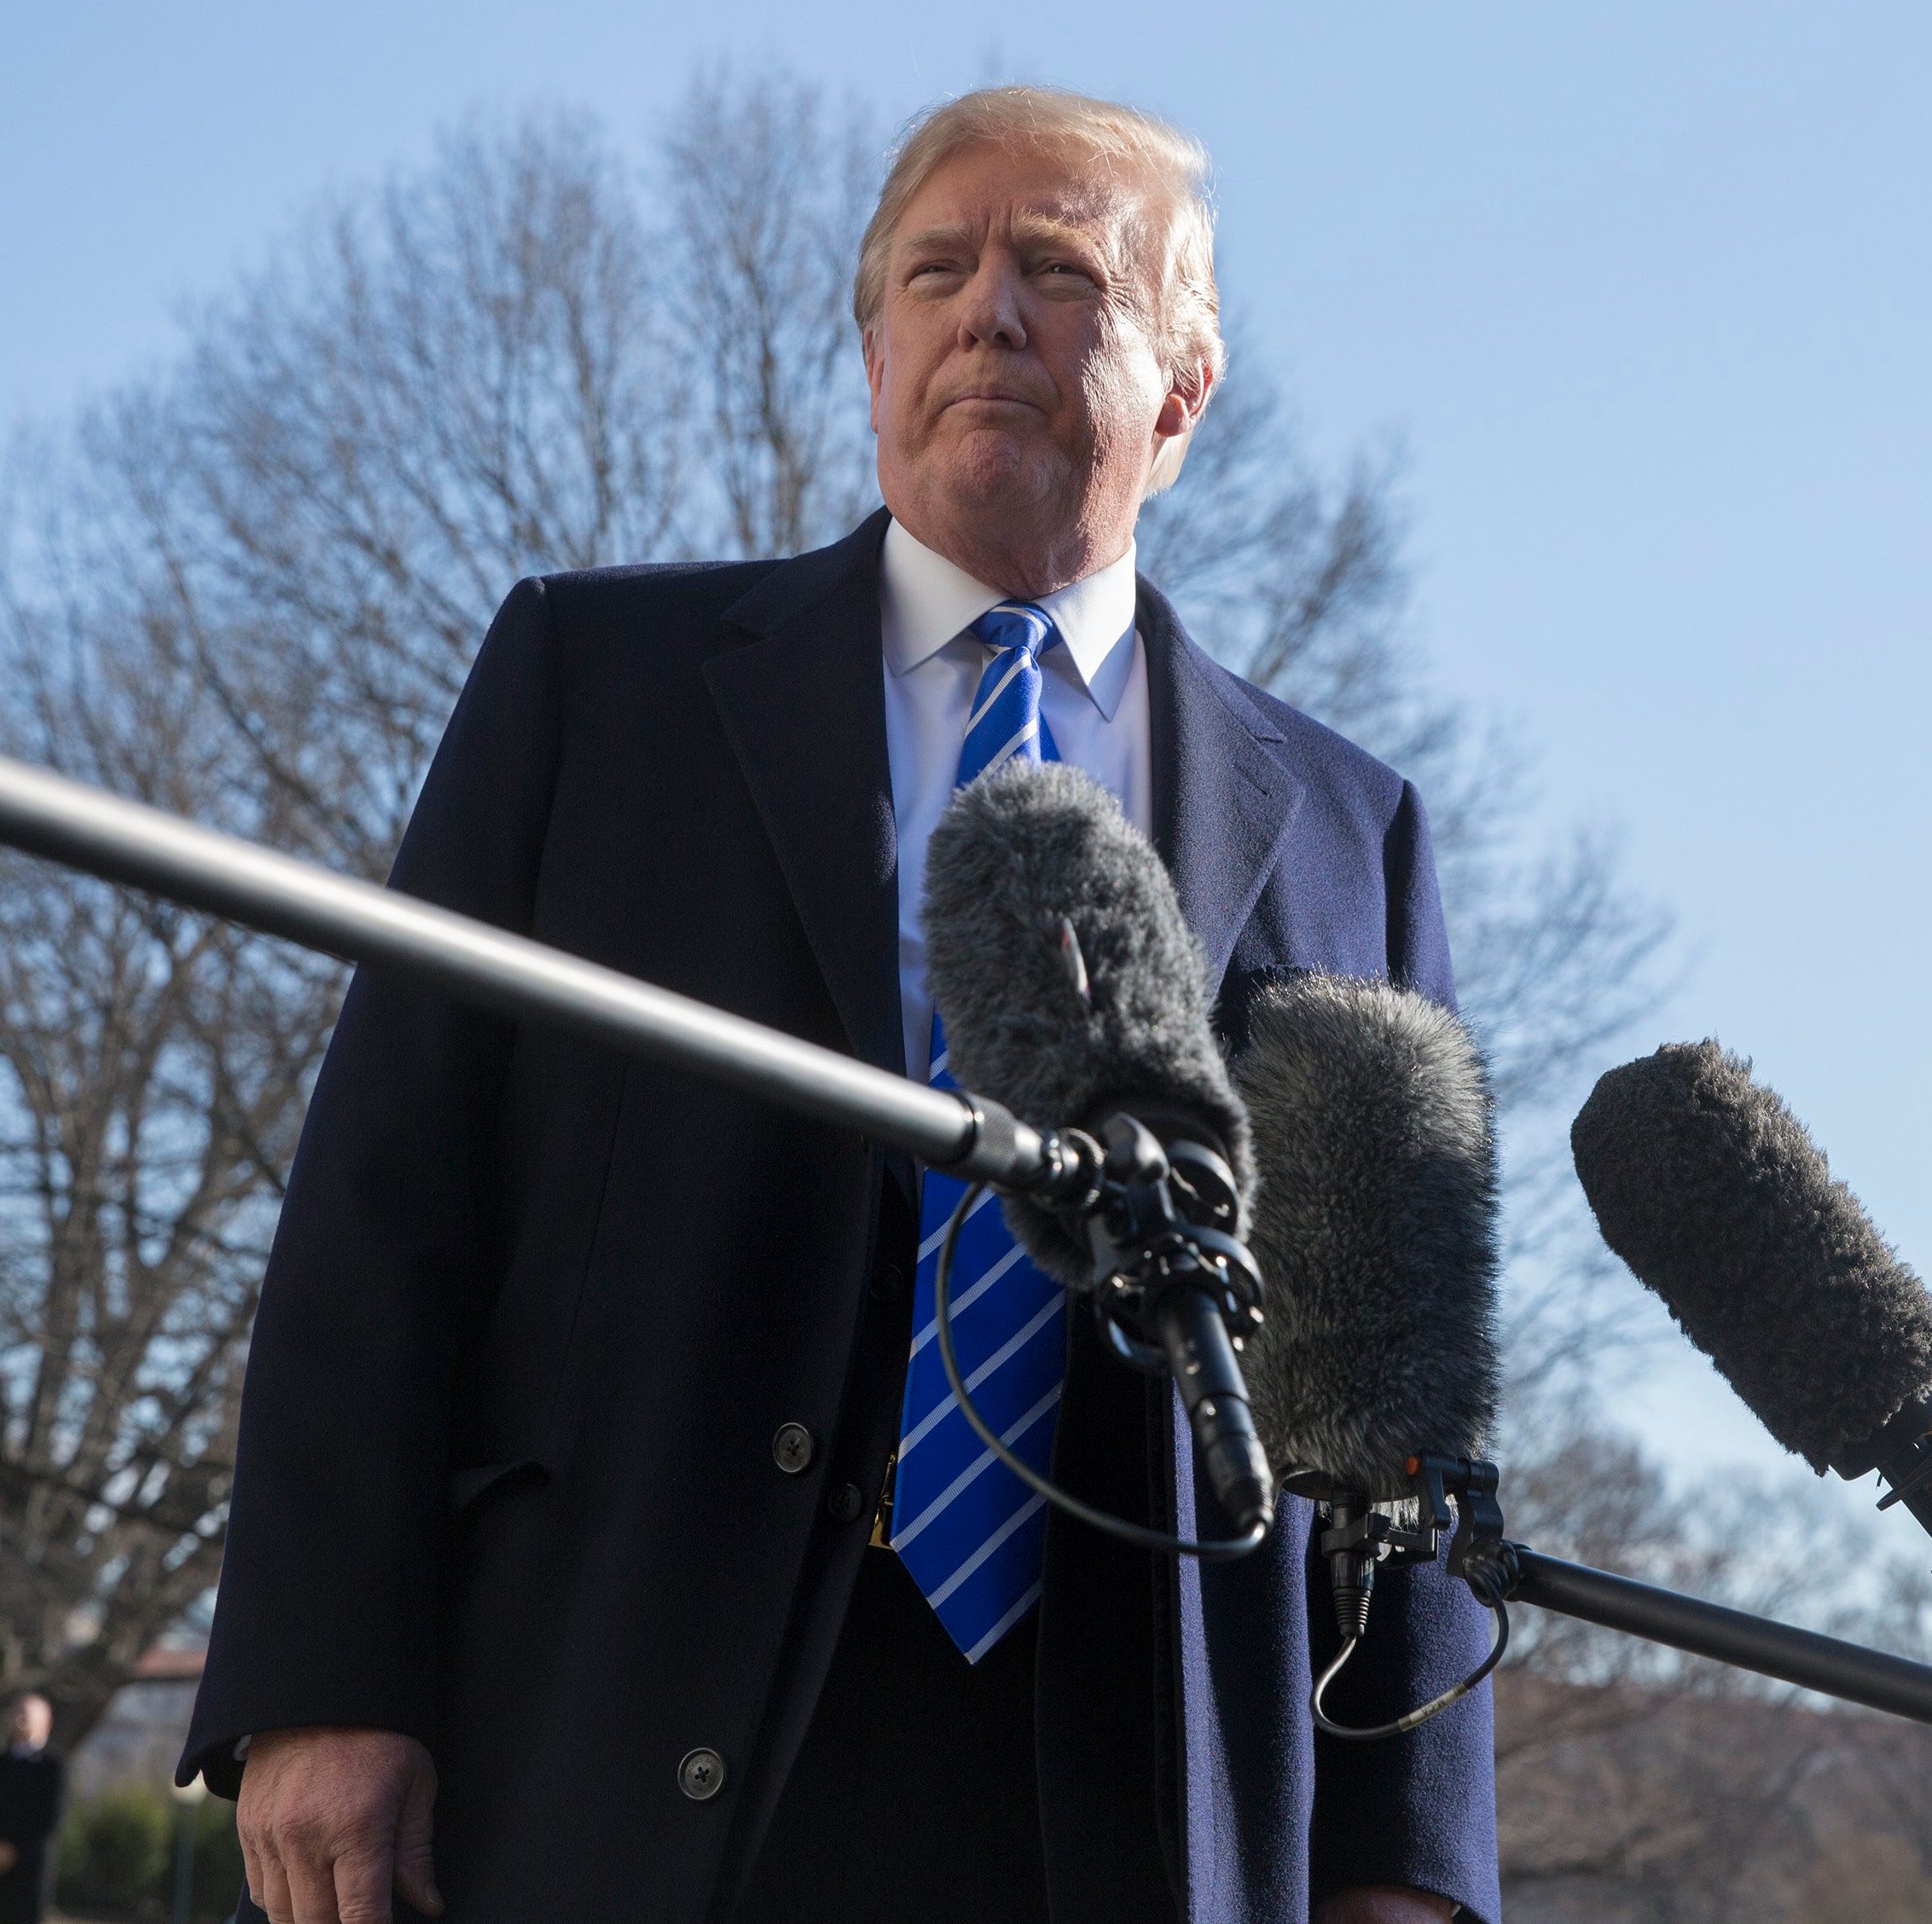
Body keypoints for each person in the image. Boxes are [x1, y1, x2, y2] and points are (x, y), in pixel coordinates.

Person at [181, 85, 1497, 1924]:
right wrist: (323, 1674)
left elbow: (1404, 1405)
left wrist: (1410, 1860)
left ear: (1184, 389)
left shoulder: (1355, 831)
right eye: (936, 272)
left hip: (1138, 1782)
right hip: (636, 1720)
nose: (987, 312)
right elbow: (383, 1200)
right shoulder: (596, 683)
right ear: (875, 348)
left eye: (1060, 271)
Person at [0, 1695, 63, 1924]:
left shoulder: (52, 1766)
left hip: (25, 1877)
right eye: (16, 1712)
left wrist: (13, 1851)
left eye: (25, 1713)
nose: (19, 1719)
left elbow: (49, 1819)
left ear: (45, 1721)